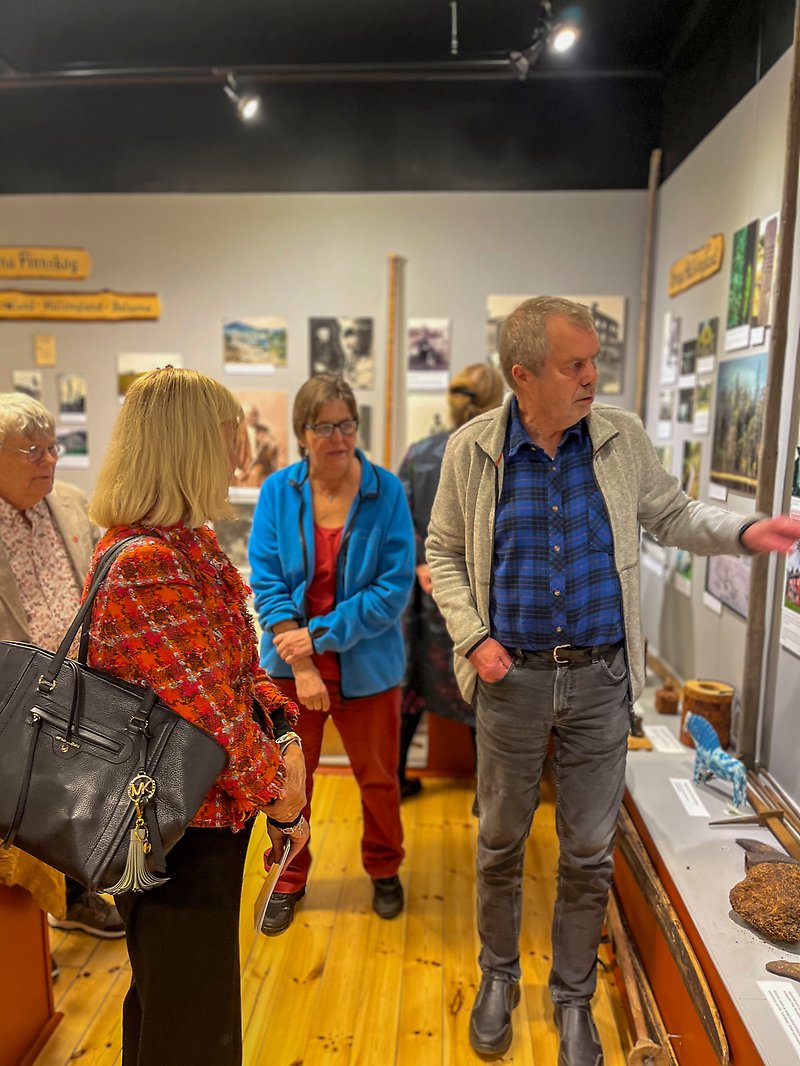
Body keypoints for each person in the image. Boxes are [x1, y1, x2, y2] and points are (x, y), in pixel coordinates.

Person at [426, 296, 800, 1064]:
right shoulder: (472, 451)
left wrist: (743, 531)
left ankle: (572, 1002)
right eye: (576, 365)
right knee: (499, 842)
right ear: (523, 377)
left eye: (594, 360)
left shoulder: (620, 439)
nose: (593, 377)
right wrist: (475, 638)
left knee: (589, 851)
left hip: (600, 682)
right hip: (511, 683)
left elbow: (673, 515)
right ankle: (497, 977)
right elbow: (442, 556)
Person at [84, 367, 309, 1066]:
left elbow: (239, 674)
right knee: (191, 1025)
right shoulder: (147, 564)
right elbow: (214, 716)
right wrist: (284, 796)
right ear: (185, 447)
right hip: (171, 833)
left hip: (202, 817)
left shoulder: (190, 547)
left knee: (172, 1004)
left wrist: (287, 731)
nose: (237, 455)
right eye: (225, 440)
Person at [249, 373, 415, 934]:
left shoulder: (386, 491)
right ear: (302, 432)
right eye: (325, 425)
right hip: (290, 666)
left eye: (347, 424)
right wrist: (300, 659)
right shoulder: (278, 492)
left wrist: (319, 637)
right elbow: (267, 580)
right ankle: (287, 879)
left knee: (378, 778)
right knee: (291, 780)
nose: (338, 436)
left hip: (367, 664)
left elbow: (392, 589)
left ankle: (385, 868)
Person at [0, 393, 124, 941]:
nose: (49, 460)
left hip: (83, 682)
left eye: (53, 448)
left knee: (84, 799)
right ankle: (25, 940)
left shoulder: (72, 504)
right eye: (32, 451)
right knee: (24, 813)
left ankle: (80, 897)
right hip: (13, 697)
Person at [397, 363, 504, 799]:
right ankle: (487, 796)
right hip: (482, 597)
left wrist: (424, 564)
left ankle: (396, 780)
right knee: (485, 692)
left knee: (413, 689)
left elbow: (398, 523)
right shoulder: (500, 452)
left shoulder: (420, 453)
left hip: (424, 596)